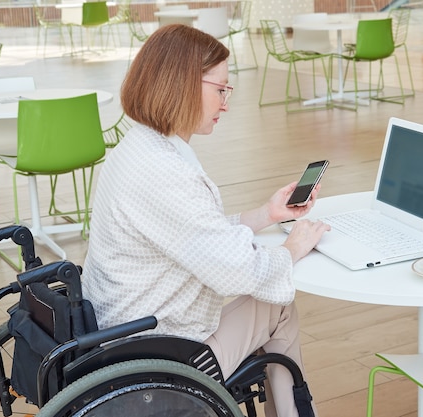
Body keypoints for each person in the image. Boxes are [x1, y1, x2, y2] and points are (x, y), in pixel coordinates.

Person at [81, 24, 330, 417]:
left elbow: (197, 235)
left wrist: (266, 215)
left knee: (272, 301)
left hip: (119, 332)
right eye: (221, 89)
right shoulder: (165, 173)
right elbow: (235, 270)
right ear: (183, 84)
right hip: (158, 358)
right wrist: (292, 247)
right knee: (278, 305)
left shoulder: (140, 146)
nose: (226, 103)